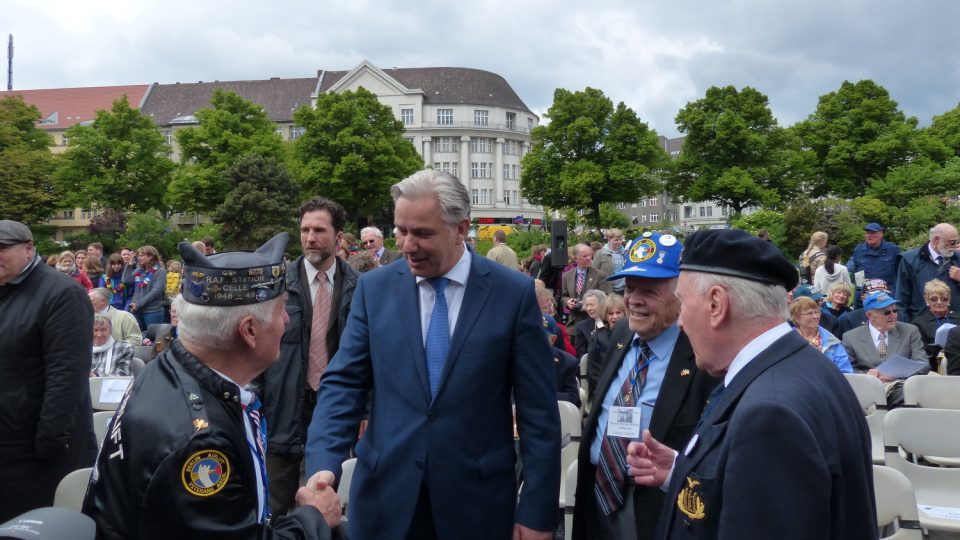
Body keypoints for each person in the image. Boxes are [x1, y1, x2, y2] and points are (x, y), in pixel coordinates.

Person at [305, 169, 560, 540]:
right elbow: (344, 382)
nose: (407, 245)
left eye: (422, 233)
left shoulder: (511, 294)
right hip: (386, 503)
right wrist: (323, 464)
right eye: (401, 230)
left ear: (461, 229)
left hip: (477, 505)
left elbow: (538, 413)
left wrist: (537, 512)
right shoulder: (375, 289)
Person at [82, 233, 341, 539]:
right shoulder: (200, 443)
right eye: (281, 309)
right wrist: (315, 518)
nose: (286, 320)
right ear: (249, 331)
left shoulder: (166, 368)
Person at [626, 228, 877, 540]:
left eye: (683, 302)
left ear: (716, 304)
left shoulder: (770, 413)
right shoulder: (801, 367)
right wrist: (683, 472)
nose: (680, 321)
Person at [573, 232, 718, 540]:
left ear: (682, 292)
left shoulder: (703, 352)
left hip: (657, 511)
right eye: (630, 287)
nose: (634, 300)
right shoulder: (622, 331)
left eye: (650, 290)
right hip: (598, 497)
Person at [261, 196, 360, 517]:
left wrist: (367, 409)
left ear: (339, 236)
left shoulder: (360, 289)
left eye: (319, 230)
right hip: (283, 407)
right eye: (304, 230)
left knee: (329, 504)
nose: (310, 238)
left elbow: (369, 357)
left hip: (337, 408)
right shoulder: (275, 285)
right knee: (276, 504)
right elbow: (257, 349)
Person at [0, 220, 97, 523]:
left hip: (35, 449)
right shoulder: (6, 288)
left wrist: (50, 443)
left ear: (28, 249)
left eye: (2, 249)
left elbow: (66, 376)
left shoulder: (62, 293)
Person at [843, 291, 928, 407]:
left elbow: (923, 363)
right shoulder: (851, 337)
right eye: (887, 312)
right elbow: (847, 369)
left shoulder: (910, 331)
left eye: (895, 311)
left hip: (903, 383)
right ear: (870, 315)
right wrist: (867, 375)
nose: (893, 315)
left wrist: (899, 374)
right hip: (871, 387)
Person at [896, 223, 960, 322]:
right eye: (952, 242)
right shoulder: (910, 260)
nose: (955, 246)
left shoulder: (958, 258)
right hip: (921, 325)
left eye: (957, 242)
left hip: (955, 323)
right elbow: (901, 299)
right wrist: (905, 329)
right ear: (936, 240)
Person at [789, 296, 852, 373]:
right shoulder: (787, 341)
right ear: (796, 317)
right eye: (809, 313)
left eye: (816, 312)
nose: (815, 316)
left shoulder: (832, 341)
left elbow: (846, 371)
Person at [910, 278, 960, 368]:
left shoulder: (958, 318)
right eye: (934, 299)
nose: (939, 302)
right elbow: (920, 352)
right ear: (927, 300)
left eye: (944, 299)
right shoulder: (918, 323)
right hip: (933, 364)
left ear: (949, 300)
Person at [585, 293, 626, 400]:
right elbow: (592, 371)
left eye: (618, 313)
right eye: (610, 313)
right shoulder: (598, 337)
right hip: (603, 389)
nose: (615, 317)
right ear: (605, 315)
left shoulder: (632, 335)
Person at [562, 243, 612, 331]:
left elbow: (607, 297)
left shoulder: (600, 275)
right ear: (575, 258)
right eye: (585, 256)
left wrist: (588, 304)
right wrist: (567, 302)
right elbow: (563, 296)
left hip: (595, 322)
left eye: (590, 255)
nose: (589, 258)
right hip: (574, 323)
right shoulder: (567, 276)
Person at [847, 222, 900, 298]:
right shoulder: (858, 250)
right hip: (865, 295)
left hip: (886, 294)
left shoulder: (893, 250)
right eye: (867, 233)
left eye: (872, 233)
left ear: (881, 234)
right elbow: (856, 272)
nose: (869, 236)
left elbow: (899, 273)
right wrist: (860, 291)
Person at [543, 314, 581, 408]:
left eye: (541, 336)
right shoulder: (519, 359)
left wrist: (545, 396)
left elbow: (574, 398)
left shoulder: (567, 362)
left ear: (553, 339)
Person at [127, 245, 167, 331]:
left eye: (142, 255)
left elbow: (156, 291)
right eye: (138, 256)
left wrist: (139, 304)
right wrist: (130, 264)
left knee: (152, 339)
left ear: (151, 256)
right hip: (136, 310)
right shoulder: (139, 270)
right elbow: (126, 280)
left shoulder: (160, 271)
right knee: (139, 338)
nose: (139, 258)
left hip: (152, 311)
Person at [573, 289, 607, 358]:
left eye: (591, 305)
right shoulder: (582, 326)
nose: (588, 308)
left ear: (602, 304)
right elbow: (581, 354)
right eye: (587, 305)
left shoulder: (612, 321)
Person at [592, 228, 626, 295]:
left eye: (620, 239)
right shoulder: (600, 253)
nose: (619, 242)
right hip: (608, 291)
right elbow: (593, 272)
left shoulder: (626, 252)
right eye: (616, 240)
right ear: (609, 239)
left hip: (624, 289)